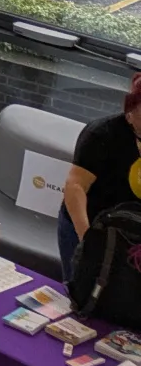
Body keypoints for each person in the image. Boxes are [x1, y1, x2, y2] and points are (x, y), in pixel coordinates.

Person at [59, 75, 141, 282]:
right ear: (129, 112)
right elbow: (74, 186)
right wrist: (87, 241)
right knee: (84, 288)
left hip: (129, 230)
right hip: (88, 222)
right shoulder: (101, 134)